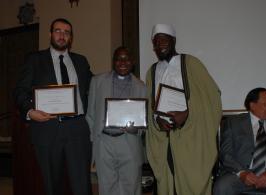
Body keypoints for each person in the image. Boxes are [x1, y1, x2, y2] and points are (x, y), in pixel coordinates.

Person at [14, 18, 93, 195]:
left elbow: (95, 86)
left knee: (82, 186)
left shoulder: (81, 61)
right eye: (58, 31)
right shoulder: (34, 59)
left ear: (71, 37)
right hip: (47, 128)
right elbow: (20, 90)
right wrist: (29, 111)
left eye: (66, 32)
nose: (62, 35)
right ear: (50, 34)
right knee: (52, 185)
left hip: (77, 129)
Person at [145, 24, 222, 195]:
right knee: (168, 186)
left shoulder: (191, 63)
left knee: (192, 185)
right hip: (164, 140)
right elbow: (150, 106)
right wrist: (157, 120)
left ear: (173, 41)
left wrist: (187, 114)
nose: (160, 45)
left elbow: (213, 96)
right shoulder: (152, 71)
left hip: (191, 138)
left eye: (164, 40)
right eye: (156, 42)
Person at [213, 87, 266, 195]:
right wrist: (242, 173)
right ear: (253, 105)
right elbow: (225, 154)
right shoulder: (233, 123)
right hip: (240, 176)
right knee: (222, 187)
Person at [86, 46, 147, 195]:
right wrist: (95, 141)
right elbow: (90, 115)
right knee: (106, 188)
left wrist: (137, 130)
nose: (122, 62)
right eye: (119, 58)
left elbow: (145, 120)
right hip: (104, 143)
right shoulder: (97, 81)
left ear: (133, 62)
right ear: (113, 62)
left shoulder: (142, 87)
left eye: (126, 59)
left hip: (129, 142)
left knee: (131, 187)